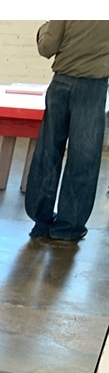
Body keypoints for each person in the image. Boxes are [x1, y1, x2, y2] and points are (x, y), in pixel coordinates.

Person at [25, 20, 109, 243]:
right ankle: (68, 227)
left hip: (60, 84)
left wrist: (43, 29)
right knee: (83, 159)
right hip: (93, 86)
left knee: (48, 153)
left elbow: (47, 47)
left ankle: (41, 221)